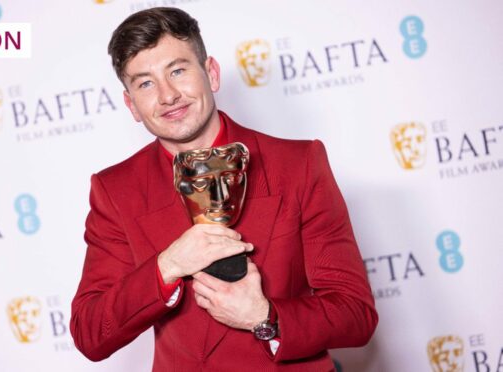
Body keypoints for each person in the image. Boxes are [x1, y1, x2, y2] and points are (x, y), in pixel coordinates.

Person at [71, 7, 377, 371]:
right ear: (131, 105)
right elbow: (90, 333)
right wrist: (168, 265)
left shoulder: (299, 164)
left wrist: (264, 317)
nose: (168, 96)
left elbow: (356, 314)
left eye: (178, 70)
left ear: (211, 74)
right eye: (146, 83)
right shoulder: (115, 190)